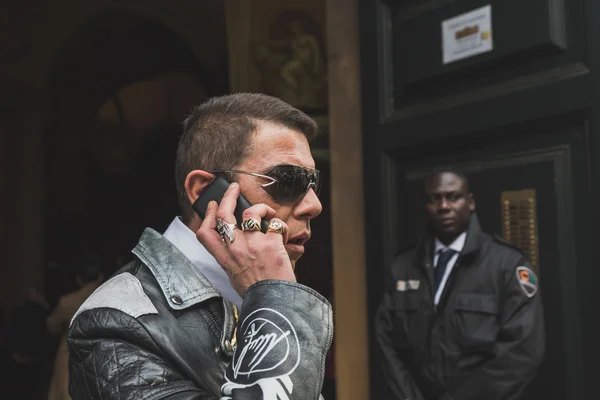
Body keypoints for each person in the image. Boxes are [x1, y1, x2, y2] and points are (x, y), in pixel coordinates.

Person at [67, 93, 332, 399]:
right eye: (288, 181)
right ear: (206, 192)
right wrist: (278, 301)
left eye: (313, 183)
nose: (314, 205)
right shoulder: (115, 323)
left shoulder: (265, 292)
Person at [375, 170, 545, 400]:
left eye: (453, 197)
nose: (444, 206)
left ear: (470, 202)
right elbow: (386, 342)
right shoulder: (403, 266)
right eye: (435, 199)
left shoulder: (506, 264)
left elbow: (523, 350)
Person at [47, 256, 103, 400]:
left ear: (78, 279)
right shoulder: (106, 299)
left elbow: (52, 326)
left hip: (70, 356)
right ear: (99, 277)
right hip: (100, 355)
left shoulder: (67, 302)